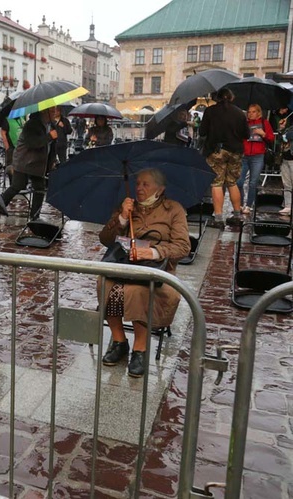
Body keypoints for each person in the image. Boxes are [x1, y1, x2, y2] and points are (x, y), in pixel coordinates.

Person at [99, 168, 190, 377]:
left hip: (158, 272)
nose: (139, 188)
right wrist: (122, 217)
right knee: (104, 281)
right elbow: (105, 239)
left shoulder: (174, 209)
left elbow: (183, 247)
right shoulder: (128, 206)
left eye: (145, 184)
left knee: (136, 289)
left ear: (160, 188)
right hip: (125, 265)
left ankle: (140, 348)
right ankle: (119, 340)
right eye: (138, 183)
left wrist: (153, 251)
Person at [199, 88, 250, 228]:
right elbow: (247, 134)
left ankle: (219, 218)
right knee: (232, 182)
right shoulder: (239, 112)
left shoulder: (210, 111)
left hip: (217, 151)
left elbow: (202, 132)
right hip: (235, 151)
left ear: (217, 97)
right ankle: (237, 215)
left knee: (216, 183)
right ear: (231, 97)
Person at [0, 109, 57, 220]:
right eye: (52, 111)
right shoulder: (32, 124)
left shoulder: (51, 125)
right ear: (45, 112)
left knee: (39, 188)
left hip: (37, 165)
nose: (55, 113)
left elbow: (52, 147)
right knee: (17, 186)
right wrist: (49, 136)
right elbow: (33, 143)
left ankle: (35, 217)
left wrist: (52, 162)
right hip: (24, 161)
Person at [236, 104, 274, 214]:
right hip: (244, 155)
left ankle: (248, 205)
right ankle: (240, 204)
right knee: (239, 182)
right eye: (249, 112)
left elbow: (271, 138)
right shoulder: (244, 123)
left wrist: (263, 134)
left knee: (253, 183)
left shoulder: (264, 123)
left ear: (258, 112)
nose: (250, 114)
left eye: (253, 112)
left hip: (258, 156)